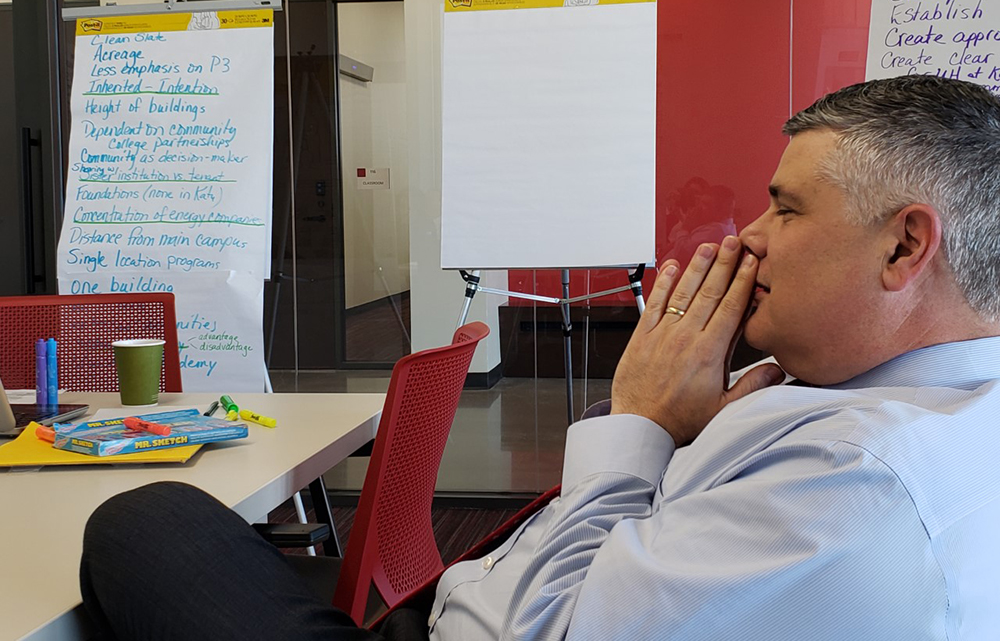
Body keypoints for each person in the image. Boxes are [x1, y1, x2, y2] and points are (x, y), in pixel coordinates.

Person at [81, 74, 1000, 640]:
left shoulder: (854, 480)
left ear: (902, 248)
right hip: (483, 587)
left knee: (147, 519)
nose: (749, 238)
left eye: (787, 210)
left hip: (467, 620)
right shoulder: (905, 406)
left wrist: (639, 421)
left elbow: (514, 634)